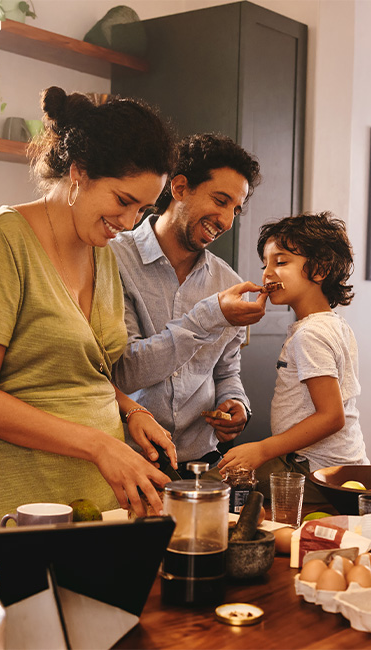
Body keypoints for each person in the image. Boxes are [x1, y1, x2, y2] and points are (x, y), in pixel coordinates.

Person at [0, 86, 178, 529]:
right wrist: (100, 446)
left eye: (143, 209)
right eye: (123, 201)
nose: (129, 223)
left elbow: (75, 370)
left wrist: (130, 410)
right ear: (79, 172)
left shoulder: (102, 252)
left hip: (92, 499)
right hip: (11, 499)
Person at [111, 133, 268, 477]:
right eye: (220, 200)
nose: (227, 221)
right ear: (180, 188)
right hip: (128, 463)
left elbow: (226, 371)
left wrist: (237, 405)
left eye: (235, 209)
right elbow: (125, 371)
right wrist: (211, 315)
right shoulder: (113, 259)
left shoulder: (227, 282)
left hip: (202, 464)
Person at [218, 211, 369, 501]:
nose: (267, 273)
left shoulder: (310, 334)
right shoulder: (332, 323)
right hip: (334, 467)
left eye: (281, 261)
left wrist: (262, 449)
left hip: (312, 471)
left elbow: (331, 417)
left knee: (217, 487)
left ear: (320, 270)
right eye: (265, 264)